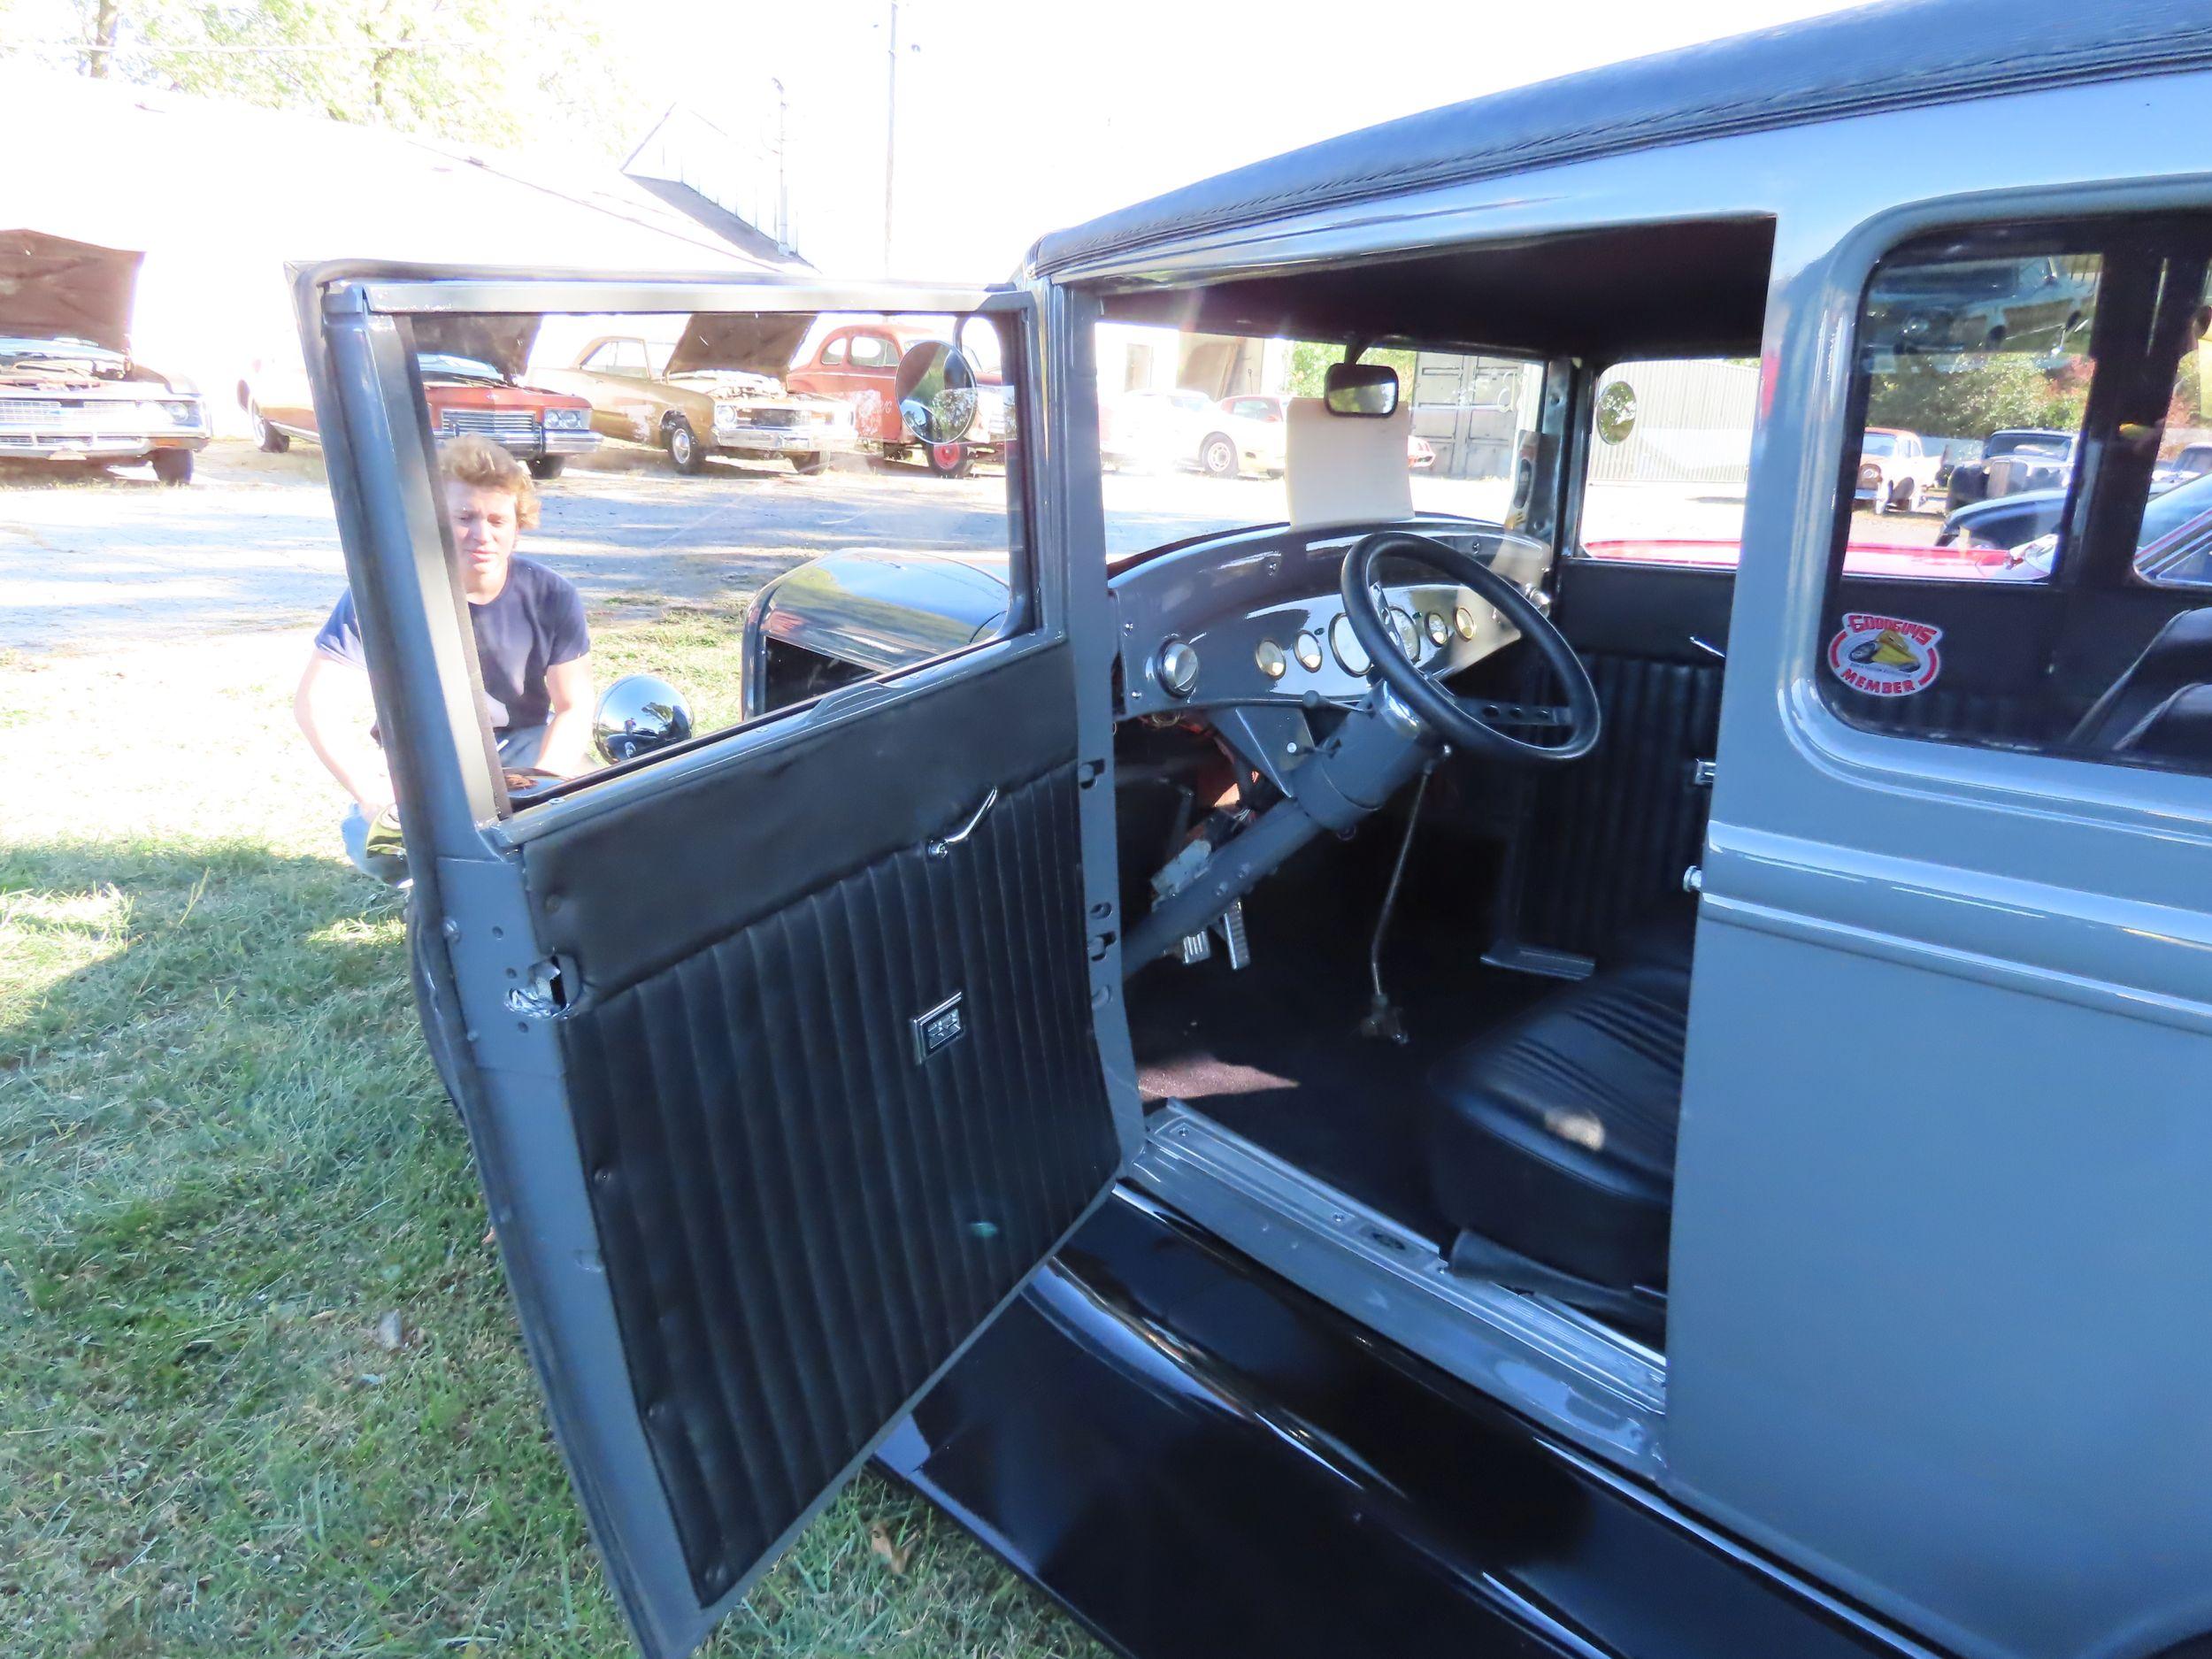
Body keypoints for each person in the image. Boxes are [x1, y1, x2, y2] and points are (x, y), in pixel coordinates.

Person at [296, 434, 595, 882]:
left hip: (521, 745)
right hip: (422, 755)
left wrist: (542, 786)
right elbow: (315, 704)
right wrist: (374, 794)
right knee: (377, 846)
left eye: (498, 519)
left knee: (595, 809)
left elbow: (574, 705)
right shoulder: (385, 593)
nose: (483, 535)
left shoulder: (553, 595)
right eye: (464, 517)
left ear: (519, 523)